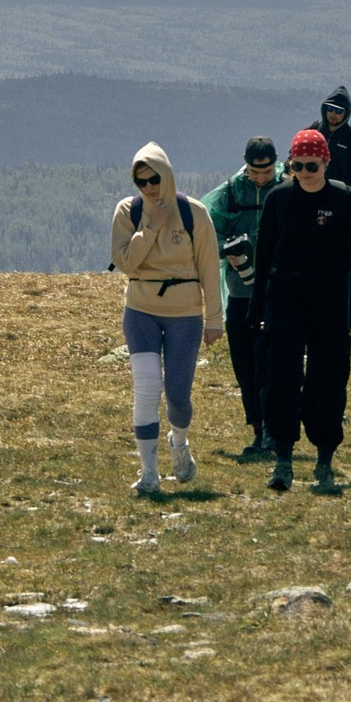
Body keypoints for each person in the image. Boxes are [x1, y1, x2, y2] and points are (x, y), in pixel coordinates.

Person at [250, 128, 351, 495]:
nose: (304, 172)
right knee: (282, 375)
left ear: (326, 162)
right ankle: (283, 458)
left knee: (327, 380)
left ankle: (324, 458)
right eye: (298, 166)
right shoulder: (279, 199)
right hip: (285, 298)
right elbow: (264, 256)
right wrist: (256, 309)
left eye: (311, 165)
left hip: (331, 301)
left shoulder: (346, 200)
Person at [109, 143, 225, 494]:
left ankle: (179, 440)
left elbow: (209, 267)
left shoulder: (194, 213)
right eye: (141, 182)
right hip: (140, 310)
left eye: (154, 179)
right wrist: (151, 230)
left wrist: (214, 319)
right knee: (147, 388)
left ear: (167, 176)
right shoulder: (127, 212)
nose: (149, 187)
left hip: (184, 315)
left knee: (177, 395)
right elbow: (125, 263)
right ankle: (149, 473)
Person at [202, 136, 281, 459]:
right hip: (240, 293)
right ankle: (258, 428)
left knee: (271, 362)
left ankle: (274, 429)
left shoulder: (287, 186)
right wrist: (229, 250)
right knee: (245, 365)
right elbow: (208, 233)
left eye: (266, 172)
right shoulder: (231, 193)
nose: (260, 178)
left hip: (277, 292)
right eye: (254, 172)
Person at [308, 86, 351, 207]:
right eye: (330, 108)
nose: (333, 114)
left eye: (339, 111)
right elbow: (294, 156)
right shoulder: (314, 130)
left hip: (342, 202)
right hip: (312, 198)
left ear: (346, 113)